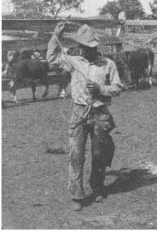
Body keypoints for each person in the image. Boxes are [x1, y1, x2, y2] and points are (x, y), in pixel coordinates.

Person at [47, 22, 122, 211]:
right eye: (81, 46)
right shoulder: (73, 61)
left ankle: (97, 187)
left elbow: (118, 87)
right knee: (76, 154)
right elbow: (52, 58)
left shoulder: (108, 64)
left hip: (100, 113)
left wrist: (101, 89)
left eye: (87, 47)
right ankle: (77, 194)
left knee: (99, 154)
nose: (82, 50)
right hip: (79, 112)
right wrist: (55, 36)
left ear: (95, 47)